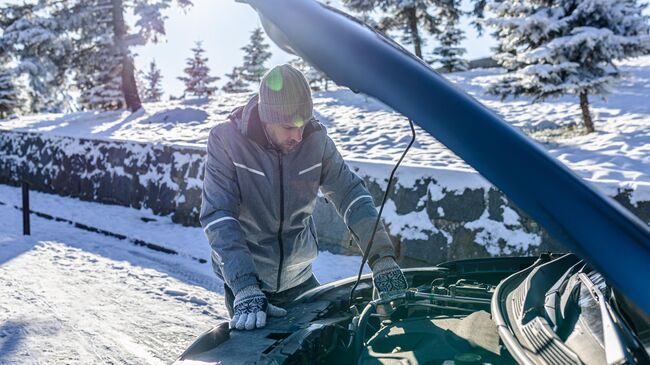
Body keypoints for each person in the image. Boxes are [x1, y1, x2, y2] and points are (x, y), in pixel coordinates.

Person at [200, 64, 407, 331]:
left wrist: (382, 258)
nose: (298, 136)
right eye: (288, 126)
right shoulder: (226, 140)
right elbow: (219, 216)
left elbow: (351, 194)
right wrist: (245, 287)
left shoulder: (316, 140)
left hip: (301, 277)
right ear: (266, 117)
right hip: (251, 284)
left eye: (303, 123)